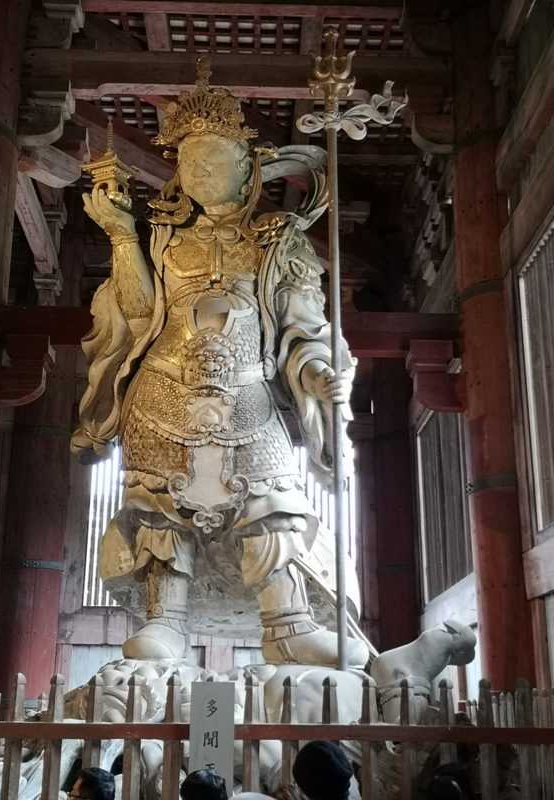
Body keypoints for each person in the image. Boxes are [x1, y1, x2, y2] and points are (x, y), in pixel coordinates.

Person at [72, 56, 367, 670]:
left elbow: (304, 323)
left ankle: (287, 624)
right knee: (159, 506)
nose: (200, 172)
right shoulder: (161, 236)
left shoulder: (277, 242)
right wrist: (121, 235)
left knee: (274, 499)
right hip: (163, 392)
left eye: (216, 161)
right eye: (189, 162)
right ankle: (166, 621)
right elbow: (138, 310)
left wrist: (318, 371)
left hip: (249, 393)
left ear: (247, 170)